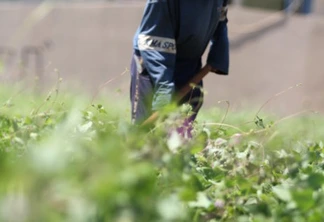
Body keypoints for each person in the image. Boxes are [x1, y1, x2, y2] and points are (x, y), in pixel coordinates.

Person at [130, 0, 230, 132]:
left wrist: (219, 52)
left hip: (190, 64)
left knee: (180, 136)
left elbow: (220, 18)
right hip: (153, 65)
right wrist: (164, 90)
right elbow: (155, 44)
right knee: (148, 136)